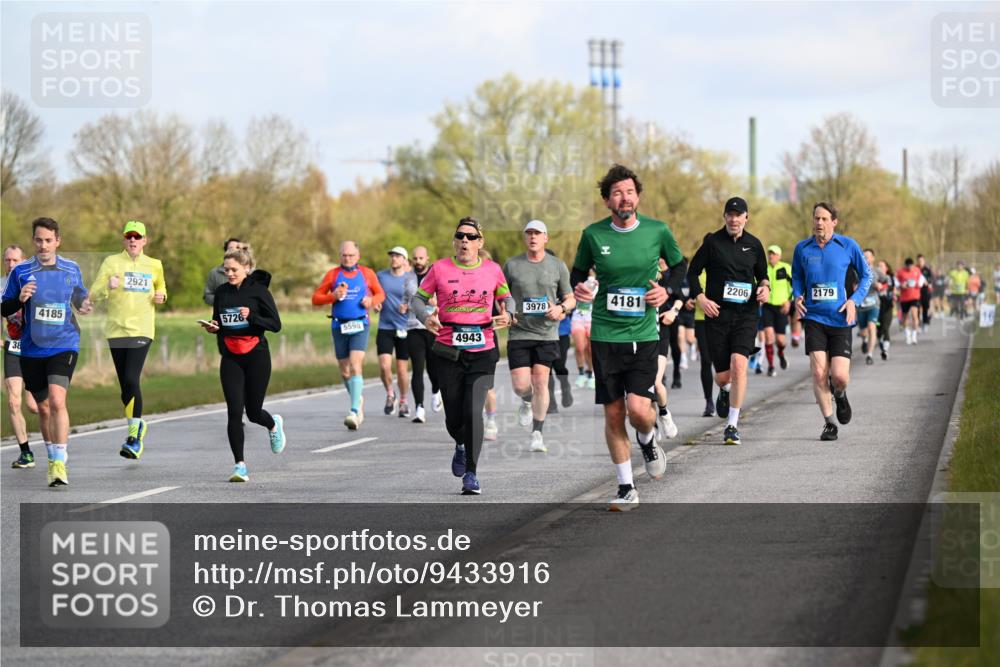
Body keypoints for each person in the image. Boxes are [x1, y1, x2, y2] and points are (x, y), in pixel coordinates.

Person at [570, 165, 687, 511]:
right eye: (617, 193)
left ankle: (648, 439)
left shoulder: (657, 230)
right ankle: (626, 487)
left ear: (637, 197)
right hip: (605, 335)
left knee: (639, 411)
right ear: (607, 200)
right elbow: (578, 272)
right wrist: (579, 287)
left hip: (643, 334)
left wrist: (667, 290)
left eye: (630, 192)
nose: (625, 198)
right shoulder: (593, 235)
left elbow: (680, 267)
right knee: (613, 414)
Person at [411, 217, 514, 495]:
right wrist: (425, 317)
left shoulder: (492, 270)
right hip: (448, 350)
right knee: (454, 417)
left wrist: (509, 313)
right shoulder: (439, 269)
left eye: (471, 237)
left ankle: (472, 473)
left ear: (480, 242)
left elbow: (507, 298)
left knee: (473, 411)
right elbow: (417, 300)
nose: (465, 241)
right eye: (460, 236)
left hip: (483, 349)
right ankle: (459, 443)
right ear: (454, 241)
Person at [1, 217, 93, 487]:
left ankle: (59, 463)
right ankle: (52, 457)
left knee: (57, 400)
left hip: (64, 343)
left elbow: (79, 298)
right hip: (32, 348)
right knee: (42, 408)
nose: (43, 245)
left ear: (58, 241)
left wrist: (84, 305)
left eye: (49, 240)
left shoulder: (71, 268)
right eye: (39, 240)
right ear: (33, 241)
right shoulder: (21, 272)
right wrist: (19, 299)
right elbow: (4, 308)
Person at [687, 196, 769, 446]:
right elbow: (692, 272)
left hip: (746, 314)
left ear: (746, 217)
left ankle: (732, 425)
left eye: (738, 215)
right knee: (723, 377)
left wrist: (765, 288)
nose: (734, 219)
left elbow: (763, 276)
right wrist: (701, 298)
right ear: (724, 217)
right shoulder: (712, 243)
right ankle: (724, 391)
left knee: (739, 364)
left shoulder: (754, 244)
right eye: (730, 215)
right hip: (718, 316)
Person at [199, 245, 285, 482]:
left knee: (253, 412)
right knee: (234, 412)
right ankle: (240, 466)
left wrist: (252, 316)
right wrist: (214, 327)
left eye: (234, 270)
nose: (229, 274)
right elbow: (220, 322)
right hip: (231, 357)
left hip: (257, 355)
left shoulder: (259, 292)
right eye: (226, 270)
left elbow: (275, 325)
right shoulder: (222, 292)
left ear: (247, 268)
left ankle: (273, 425)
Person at [791, 202, 872, 441]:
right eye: (816, 218)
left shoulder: (847, 245)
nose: (819, 223)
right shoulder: (802, 248)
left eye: (824, 219)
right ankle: (829, 423)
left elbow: (867, 275)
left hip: (840, 318)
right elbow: (797, 276)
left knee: (839, 377)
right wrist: (797, 295)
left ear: (834, 222)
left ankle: (840, 394)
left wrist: (854, 301)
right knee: (818, 373)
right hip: (813, 317)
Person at [88, 221, 167, 459]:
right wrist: (107, 285)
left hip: (142, 330)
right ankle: (138, 424)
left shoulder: (154, 265)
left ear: (144, 240)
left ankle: (133, 438)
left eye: (137, 236)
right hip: (116, 331)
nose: (133, 240)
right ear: (124, 239)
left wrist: (161, 296)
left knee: (132, 379)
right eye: (129, 236)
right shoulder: (111, 262)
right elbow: (93, 294)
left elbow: (161, 290)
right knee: (125, 387)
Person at [502, 221, 575, 453]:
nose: (533, 237)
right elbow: (501, 294)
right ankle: (525, 400)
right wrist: (506, 312)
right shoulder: (512, 265)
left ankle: (537, 433)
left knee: (541, 381)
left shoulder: (557, 265)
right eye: (529, 233)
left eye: (537, 233)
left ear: (546, 238)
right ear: (525, 238)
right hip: (519, 332)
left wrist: (561, 308)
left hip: (547, 333)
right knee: (521, 385)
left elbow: (571, 298)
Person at [312, 241, 385, 430]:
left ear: (358, 256)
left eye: (351, 255)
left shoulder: (367, 273)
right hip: (339, 325)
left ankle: (354, 410)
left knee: (355, 364)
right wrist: (333, 296)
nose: (348, 258)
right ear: (340, 256)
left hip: (360, 323)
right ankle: (357, 398)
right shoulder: (333, 274)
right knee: (344, 370)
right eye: (344, 255)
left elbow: (380, 294)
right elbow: (316, 298)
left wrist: (371, 300)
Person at [2, 245, 40, 468]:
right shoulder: (1, 285)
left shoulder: (34, 282)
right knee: (13, 401)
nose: (11, 264)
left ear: (23, 262)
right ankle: (26, 453)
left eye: (15, 260)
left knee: (35, 406)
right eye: (7, 260)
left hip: (34, 348)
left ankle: (56, 443)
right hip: (13, 346)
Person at [375, 247, 416, 418]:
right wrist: (376, 304)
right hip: (385, 327)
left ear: (405, 260)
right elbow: (375, 294)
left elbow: (419, 301)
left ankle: (404, 401)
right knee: (384, 366)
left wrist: (408, 307)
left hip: (405, 328)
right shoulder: (381, 276)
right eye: (392, 255)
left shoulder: (411, 278)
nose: (394, 258)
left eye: (398, 256)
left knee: (401, 370)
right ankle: (390, 394)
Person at [405, 245, 441, 423]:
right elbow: (406, 299)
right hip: (414, 327)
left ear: (427, 259)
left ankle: (436, 391)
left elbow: (445, 298)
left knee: (433, 367)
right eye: (415, 258)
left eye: (421, 258)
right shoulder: (408, 278)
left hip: (432, 327)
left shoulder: (436, 275)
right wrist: (404, 306)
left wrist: (436, 303)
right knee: (417, 369)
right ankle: (419, 407)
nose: (418, 261)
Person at [685, 270, 716, 416]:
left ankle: (727, 393)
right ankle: (709, 402)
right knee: (706, 360)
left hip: (722, 319)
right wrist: (689, 301)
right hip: (701, 320)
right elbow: (690, 294)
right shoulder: (697, 271)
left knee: (724, 362)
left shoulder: (724, 264)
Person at [761, 245, 793, 377]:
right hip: (767, 306)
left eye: (774, 254)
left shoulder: (786, 268)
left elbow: (795, 286)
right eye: (769, 253)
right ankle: (771, 366)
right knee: (769, 336)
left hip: (781, 307)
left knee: (780, 340)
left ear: (779, 256)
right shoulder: (763, 268)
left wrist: (789, 301)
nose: (771, 256)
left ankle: (781, 353)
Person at [857, 249, 887, 364]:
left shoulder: (877, 271)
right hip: (861, 305)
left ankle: (870, 355)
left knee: (872, 327)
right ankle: (864, 340)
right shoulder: (857, 270)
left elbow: (887, 281)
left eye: (868, 256)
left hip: (874, 304)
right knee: (863, 331)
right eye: (864, 256)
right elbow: (851, 284)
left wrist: (880, 285)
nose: (866, 258)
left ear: (873, 258)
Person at [571, 270, 598, 389]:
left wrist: (594, 290)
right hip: (578, 318)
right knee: (580, 347)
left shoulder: (599, 283)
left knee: (591, 349)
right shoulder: (576, 281)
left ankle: (591, 374)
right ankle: (581, 373)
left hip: (592, 319)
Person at [895, 257, 926, 346]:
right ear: (905, 265)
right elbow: (895, 281)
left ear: (913, 265)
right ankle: (907, 334)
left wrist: (919, 284)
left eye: (911, 266)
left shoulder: (917, 270)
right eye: (908, 266)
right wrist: (901, 285)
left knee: (914, 314)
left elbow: (922, 279)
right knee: (905, 317)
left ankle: (914, 335)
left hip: (915, 297)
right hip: (904, 298)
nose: (910, 268)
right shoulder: (901, 272)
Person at [204, 237, 242, 306]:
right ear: (225, 251)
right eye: (231, 248)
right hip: (222, 311)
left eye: (237, 248)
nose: (234, 251)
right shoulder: (214, 273)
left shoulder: (251, 272)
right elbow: (207, 296)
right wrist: (222, 300)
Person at [876, 259, 896, 360]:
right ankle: (881, 344)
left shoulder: (890, 278)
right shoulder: (873, 277)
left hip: (887, 306)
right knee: (878, 329)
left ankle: (885, 350)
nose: (879, 268)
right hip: (876, 307)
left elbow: (890, 287)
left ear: (886, 268)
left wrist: (895, 295)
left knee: (885, 327)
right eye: (878, 266)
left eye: (882, 266)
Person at [917, 254, 934, 331]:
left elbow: (931, 279)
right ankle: (917, 323)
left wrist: (927, 282)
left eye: (921, 260)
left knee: (925, 308)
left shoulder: (927, 270)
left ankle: (925, 322)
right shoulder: (915, 269)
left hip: (925, 291)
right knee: (917, 307)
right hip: (917, 291)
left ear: (924, 261)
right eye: (919, 260)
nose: (920, 262)